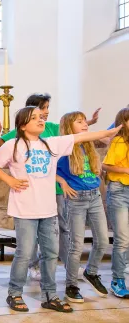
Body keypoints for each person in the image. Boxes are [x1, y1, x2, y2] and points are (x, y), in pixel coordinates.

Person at [0, 106, 118, 313]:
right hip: (25, 210)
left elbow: (82, 137)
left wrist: (109, 132)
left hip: (48, 210)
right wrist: (10, 180)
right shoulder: (13, 145)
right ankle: (14, 293)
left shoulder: (51, 143)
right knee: (25, 252)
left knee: (50, 253)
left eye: (42, 117)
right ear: (22, 125)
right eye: (35, 118)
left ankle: (50, 295)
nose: (41, 121)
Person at [0, 93, 100, 280]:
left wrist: (90, 123)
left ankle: (67, 266)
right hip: (34, 191)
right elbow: (1, 150)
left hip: (57, 189)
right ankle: (33, 266)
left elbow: (71, 131)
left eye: (46, 109)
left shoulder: (52, 128)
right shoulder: (19, 136)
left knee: (62, 228)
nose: (46, 113)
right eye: (42, 108)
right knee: (31, 235)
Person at [57, 112, 110, 303]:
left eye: (85, 121)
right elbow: (47, 168)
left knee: (103, 240)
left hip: (94, 197)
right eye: (79, 122)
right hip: (76, 199)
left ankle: (92, 272)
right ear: (69, 127)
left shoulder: (88, 146)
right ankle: (71, 285)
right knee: (76, 245)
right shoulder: (63, 148)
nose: (85, 124)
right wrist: (62, 181)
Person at [103, 108, 129, 298]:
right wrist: (126, 170)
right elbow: (105, 165)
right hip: (119, 189)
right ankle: (117, 280)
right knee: (122, 238)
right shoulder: (120, 140)